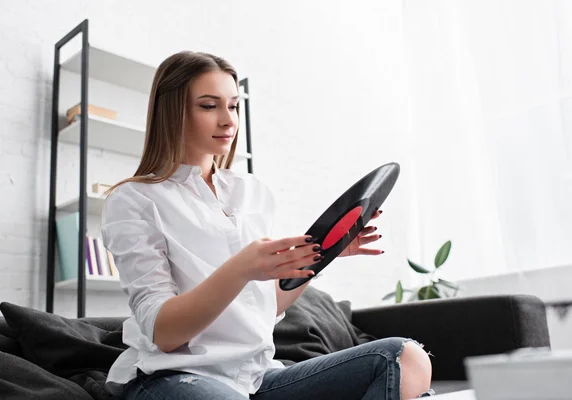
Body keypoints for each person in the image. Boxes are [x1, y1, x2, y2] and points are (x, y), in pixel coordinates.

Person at [101, 51, 433, 400]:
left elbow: (265, 306)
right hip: (173, 376)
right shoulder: (134, 200)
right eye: (209, 106)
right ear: (172, 111)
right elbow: (164, 333)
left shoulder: (252, 193)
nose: (228, 121)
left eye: (233, 106)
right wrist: (241, 269)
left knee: (404, 358)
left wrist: (320, 256)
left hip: (257, 378)